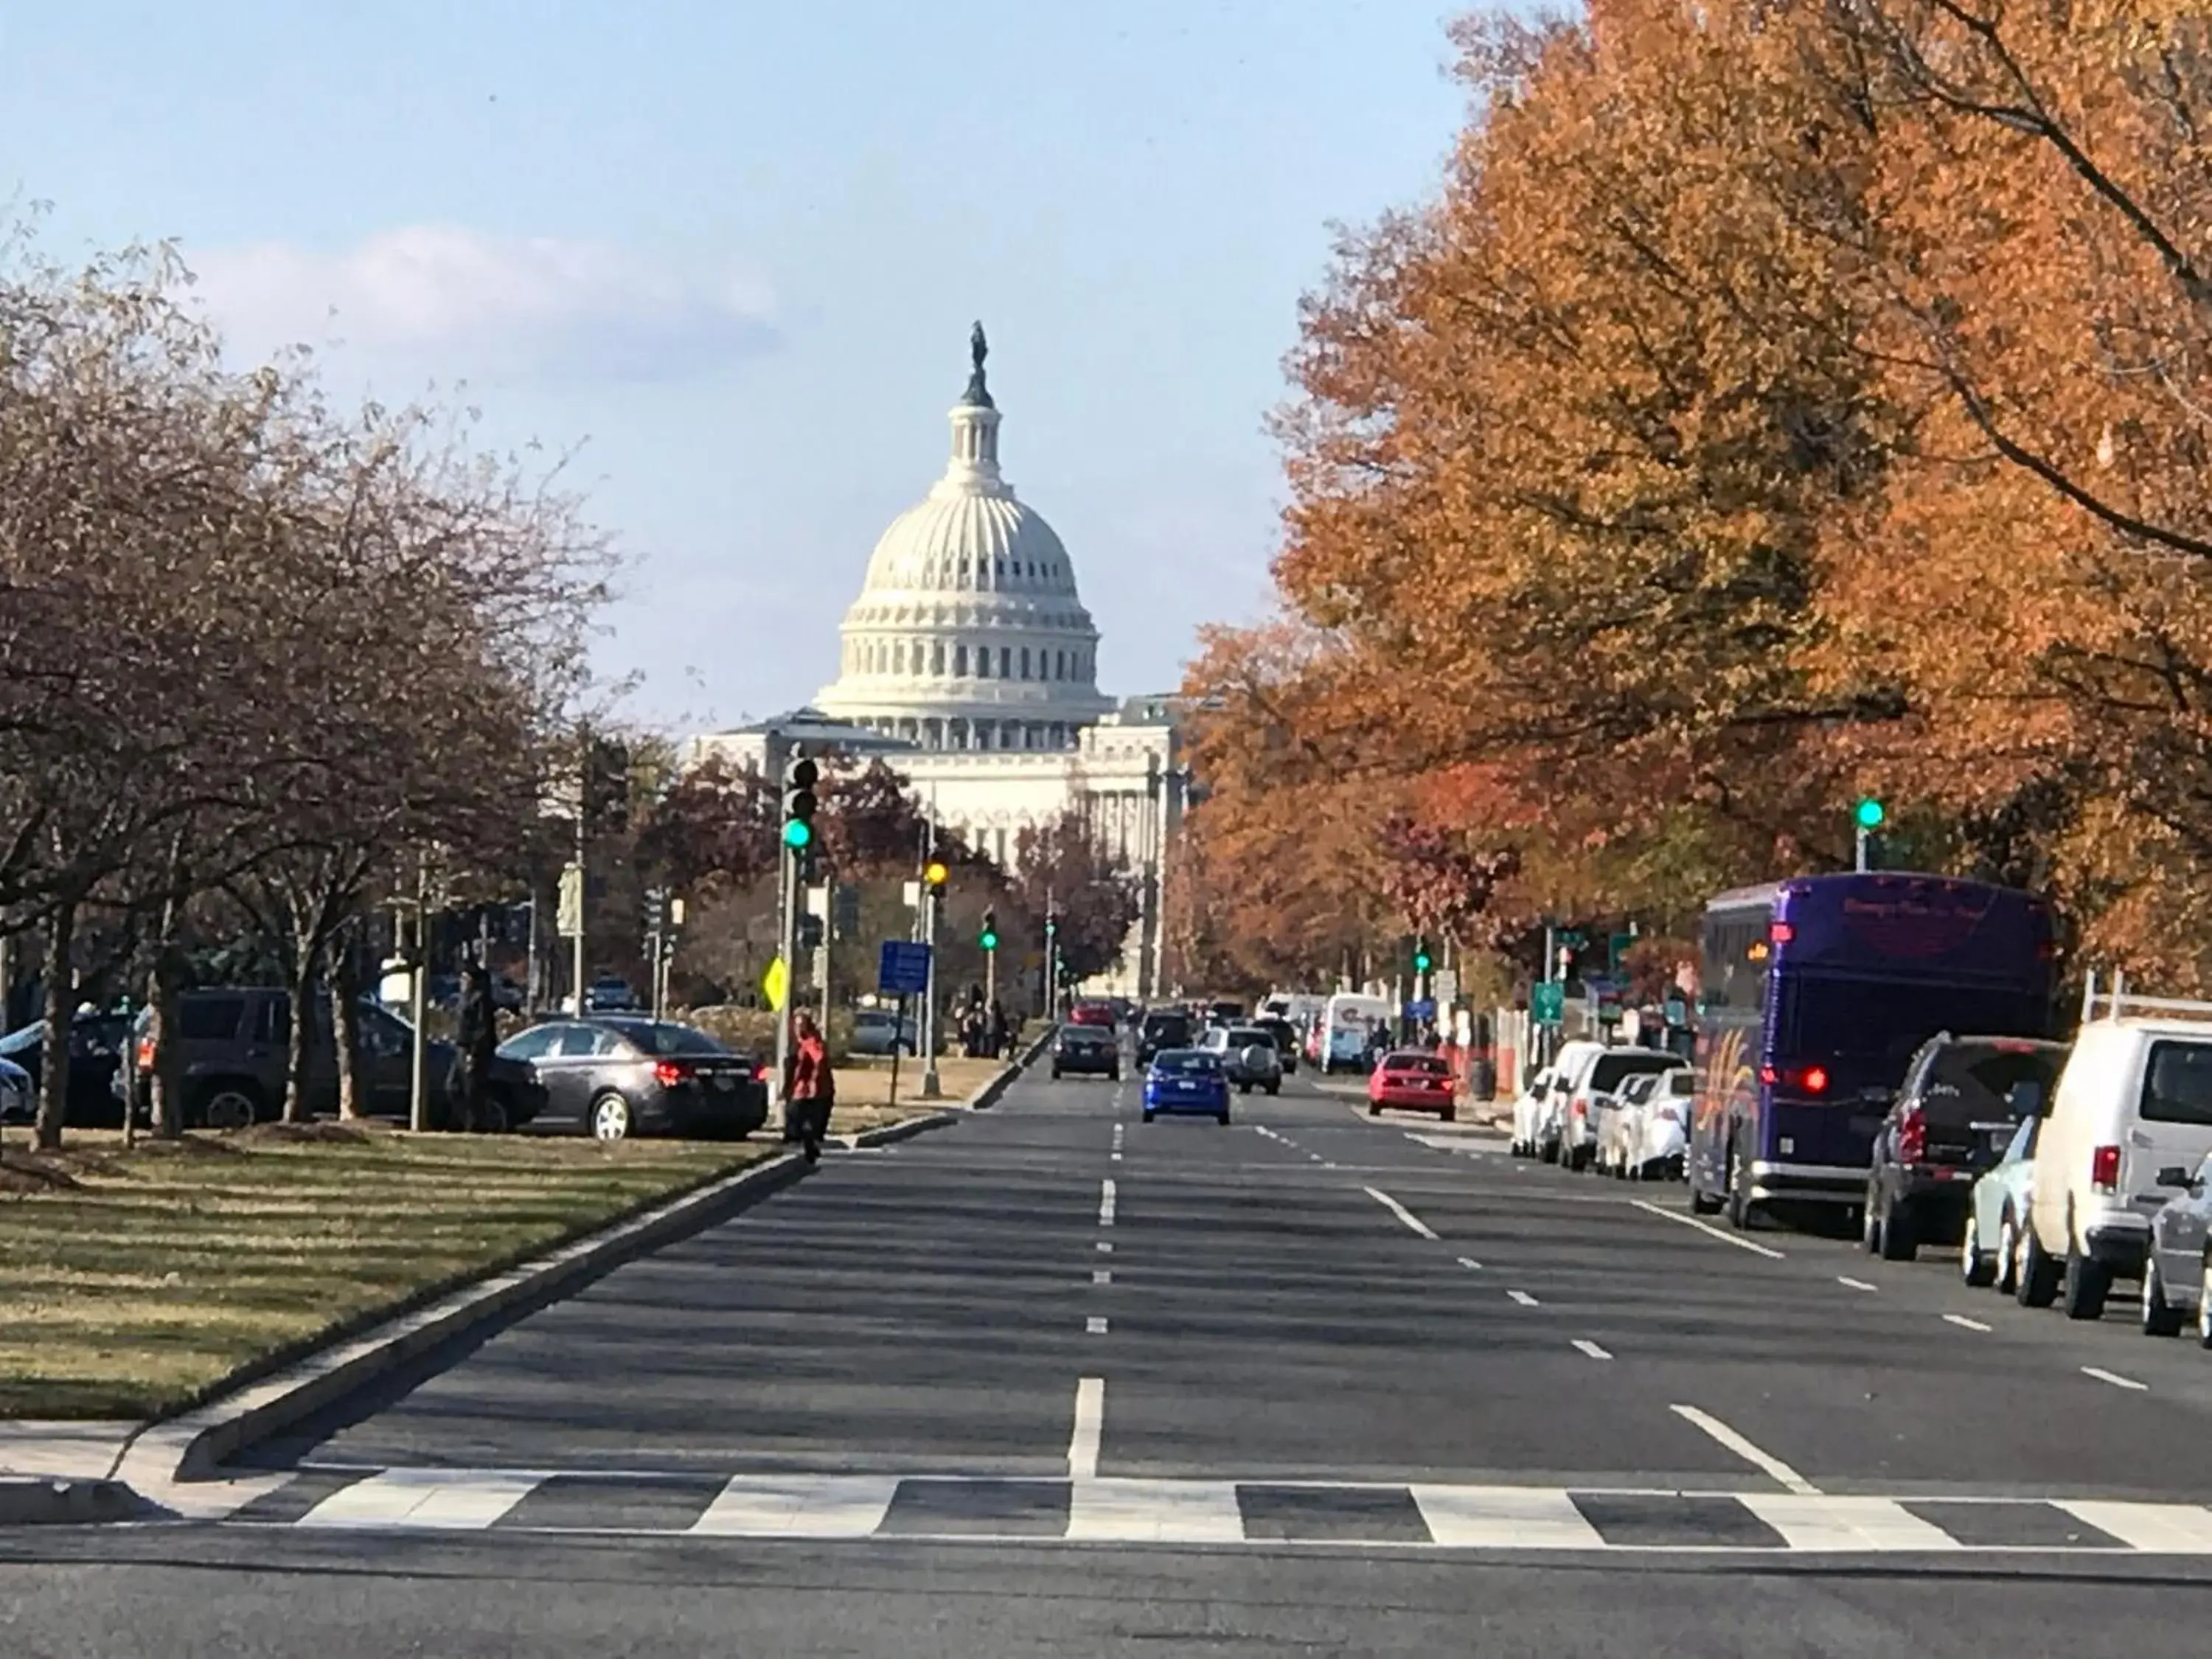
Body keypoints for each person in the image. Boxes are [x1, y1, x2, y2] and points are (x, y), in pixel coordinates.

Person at [785, 1011, 834, 1164]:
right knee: (795, 1119)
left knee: (803, 1121)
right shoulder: (796, 1043)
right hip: (799, 1090)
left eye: (802, 1024)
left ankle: (809, 1147)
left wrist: (813, 1081)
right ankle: (807, 1148)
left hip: (814, 1091)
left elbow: (819, 1061)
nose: (798, 1028)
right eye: (796, 1024)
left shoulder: (812, 1042)